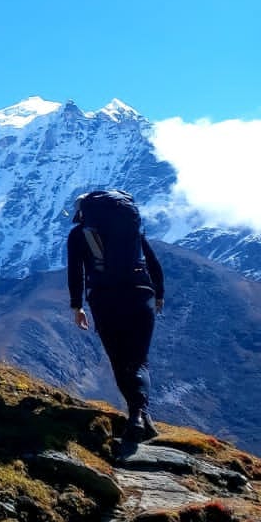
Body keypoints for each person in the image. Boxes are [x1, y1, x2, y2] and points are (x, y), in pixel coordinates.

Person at [67, 189, 165, 448]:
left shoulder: (78, 234)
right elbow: (152, 262)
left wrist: (77, 306)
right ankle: (140, 417)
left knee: (119, 360)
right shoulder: (131, 232)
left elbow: (75, 272)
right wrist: (159, 294)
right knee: (139, 361)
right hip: (140, 294)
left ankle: (137, 418)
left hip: (104, 298)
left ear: (82, 213)